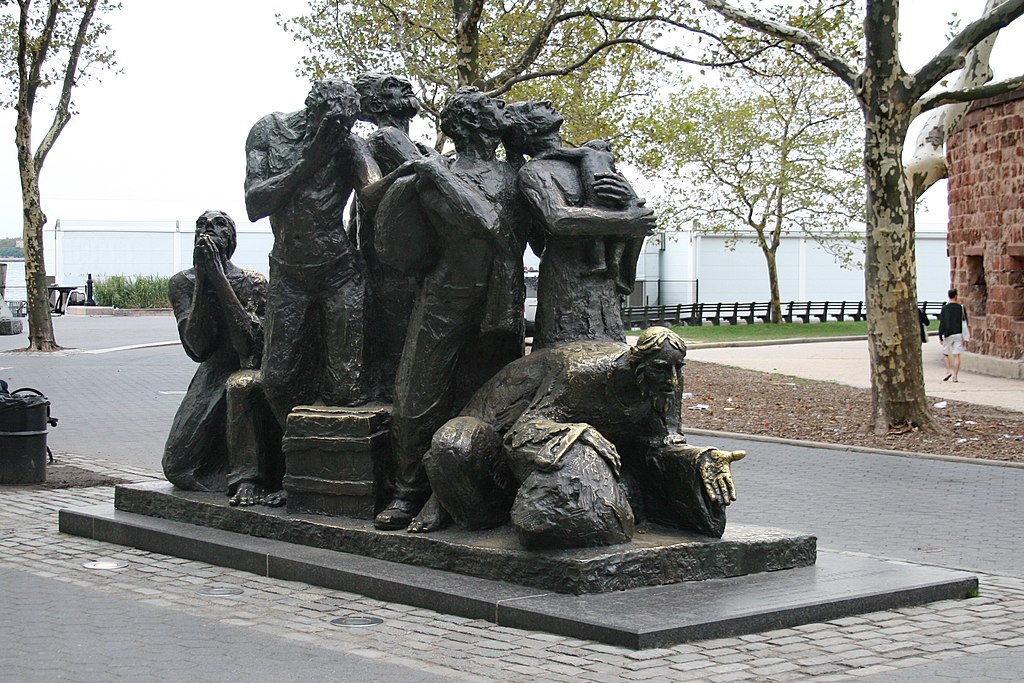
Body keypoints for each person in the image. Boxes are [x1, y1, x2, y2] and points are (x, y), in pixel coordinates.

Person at [414, 327, 745, 547]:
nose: (672, 381)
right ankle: (441, 498)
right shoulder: (580, 377)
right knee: (457, 447)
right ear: (635, 363)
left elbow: (664, 441)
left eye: (678, 369)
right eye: (661, 368)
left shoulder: (664, 380)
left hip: (577, 459)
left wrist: (700, 456)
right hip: (497, 429)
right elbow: (522, 431)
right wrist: (578, 429)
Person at [373, 86, 528, 531]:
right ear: (470, 122)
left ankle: (471, 494)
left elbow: (491, 223)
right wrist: (415, 178)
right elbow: (394, 243)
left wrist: (434, 173)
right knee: (416, 397)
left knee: (494, 399)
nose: (503, 111)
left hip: (498, 301)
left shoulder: (512, 173)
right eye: (493, 107)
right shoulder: (433, 171)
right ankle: (409, 492)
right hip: (443, 295)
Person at [244, 78, 382, 422]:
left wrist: (419, 168)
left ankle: (332, 462)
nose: (339, 131)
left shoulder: (349, 144)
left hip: (339, 271)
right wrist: (309, 161)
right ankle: (293, 457)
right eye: (333, 124)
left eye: (347, 125)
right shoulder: (268, 132)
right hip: (289, 272)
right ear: (312, 111)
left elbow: (373, 191)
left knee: (346, 386)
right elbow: (255, 204)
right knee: (275, 379)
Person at [504, 101, 655, 349]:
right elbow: (558, 219)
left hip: (604, 284)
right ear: (527, 129)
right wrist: (628, 221)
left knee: (611, 353)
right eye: (533, 108)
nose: (546, 103)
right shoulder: (534, 171)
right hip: (568, 280)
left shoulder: (594, 159)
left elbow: (638, 215)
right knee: (565, 353)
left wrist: (629, 203)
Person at [162, 211, 280, 498]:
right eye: (201, 225)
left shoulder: (251, 282)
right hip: (211, 373)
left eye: (218, 225)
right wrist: (204, 280)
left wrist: (219, 278)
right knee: (177, 466)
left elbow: (250, 348)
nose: (208, 230)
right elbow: (198, 348)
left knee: (240, 386)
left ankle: (247, 478)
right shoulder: (182, 283)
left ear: (231, 238)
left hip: (248, 368)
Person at [938, 288, 968, 382]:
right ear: (956, 296)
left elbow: (942, 323)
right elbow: (965, 320)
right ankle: (955, 375)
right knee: (956, 355)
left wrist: (940, 335)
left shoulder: (945, 308)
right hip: (958, 333)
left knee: (945, 353)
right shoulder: (961, 307)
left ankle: (948, 371)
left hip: (948, 333)